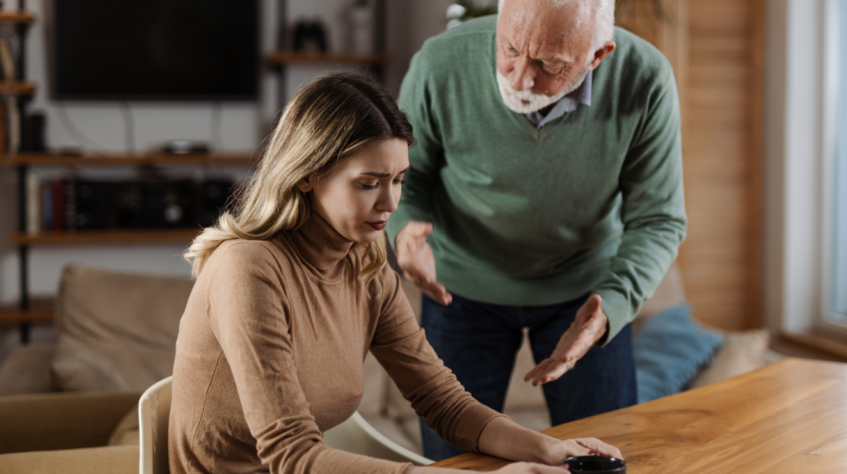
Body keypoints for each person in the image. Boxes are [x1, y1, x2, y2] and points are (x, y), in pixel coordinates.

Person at [169, 72, 622, 474]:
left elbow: (443, 402)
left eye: (399, 179)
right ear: (306, 174)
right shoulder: (248, 268)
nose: (390, 204)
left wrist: (551, 450)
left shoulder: (364, 263)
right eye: (368, 184)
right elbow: (293, 457)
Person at [387, 0, 687, 461]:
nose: (521, 78)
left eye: (550, 63)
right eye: (508, 48)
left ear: (598, 56)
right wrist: (404, 231)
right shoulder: (439, 65)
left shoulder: (647, 80)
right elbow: (405, 179)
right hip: (459, 291)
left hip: (584, 291)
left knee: (605, 458)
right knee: (452, 463)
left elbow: (658, 219)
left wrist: (612, 306)